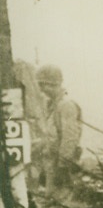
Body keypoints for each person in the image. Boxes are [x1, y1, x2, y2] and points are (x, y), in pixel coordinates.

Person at [32, 65, 83, 195]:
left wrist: (63, 166)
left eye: (43, 85)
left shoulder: (66, 105)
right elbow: (51, 136)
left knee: (62, 205)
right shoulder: (53, 105)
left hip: (61, 168)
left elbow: (70, 139)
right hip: (52, 165)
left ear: (52, 84)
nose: (42, 90)